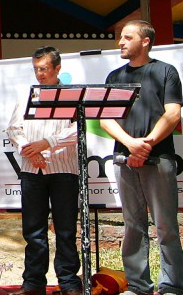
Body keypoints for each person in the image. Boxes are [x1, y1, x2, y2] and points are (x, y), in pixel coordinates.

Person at [100, 20, 183, 295]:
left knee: (166, 226)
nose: (120, 42)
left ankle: (172, 286)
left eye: (127, 37)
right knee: (133, 225)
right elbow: (105, 119)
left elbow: (173, 113)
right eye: (120, 37)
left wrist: (146, 144)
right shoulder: (114, 77)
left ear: (145, 41)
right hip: (124, 160)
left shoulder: (165, 71)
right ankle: (137, 286)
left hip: (159, 160)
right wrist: (130, 145)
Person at [6, 46, 82, 295]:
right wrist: (30, 150)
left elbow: (78, 130)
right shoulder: (28, 94)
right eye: (36, 69)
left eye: (44, 68)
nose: (39, 74)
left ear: (57, 68)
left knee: (65, 229)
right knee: (33, 230)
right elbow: (13, 128)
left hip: (63, 168)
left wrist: (47, 143)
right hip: (32, 169)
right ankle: (33, 283)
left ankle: (68, 282)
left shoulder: (71, 95)